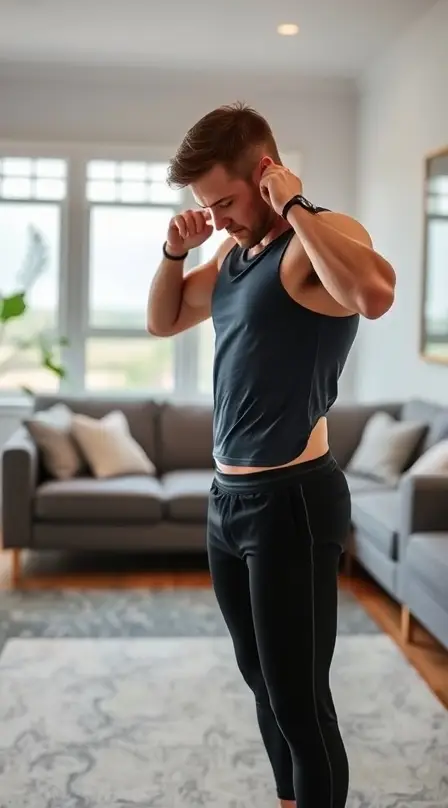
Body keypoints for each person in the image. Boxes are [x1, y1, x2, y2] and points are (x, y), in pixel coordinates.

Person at [146, 102, 396, 808]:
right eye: (206, 206)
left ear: (263, 174)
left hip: (293, 499)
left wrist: (295, 201)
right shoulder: (233, 255)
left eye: (224, 201)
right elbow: (163, 321)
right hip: (229, 502)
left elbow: (373, 295)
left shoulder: (317, 239)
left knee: (299, 701)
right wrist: (176, 250)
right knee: (261, 681)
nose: (217, 217)